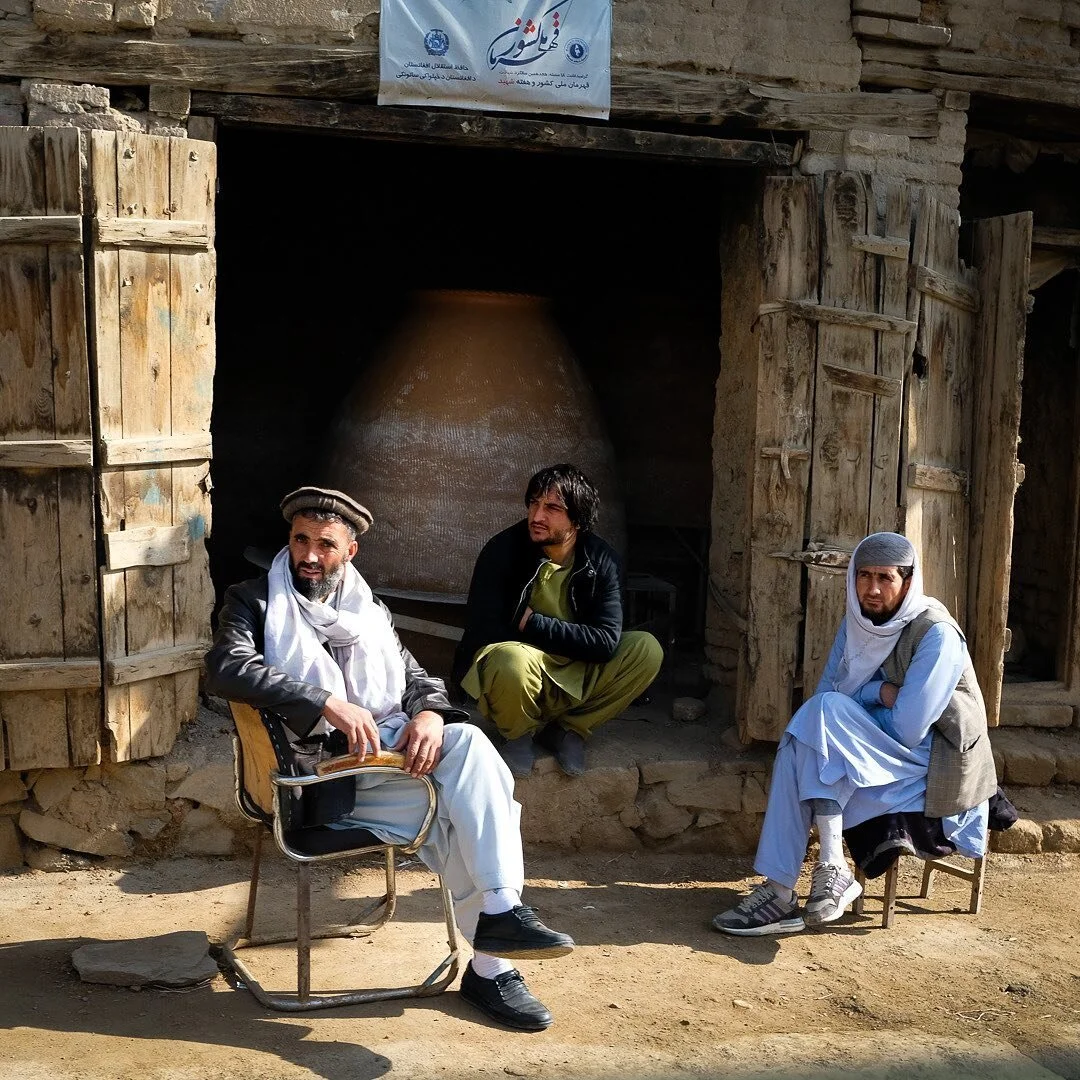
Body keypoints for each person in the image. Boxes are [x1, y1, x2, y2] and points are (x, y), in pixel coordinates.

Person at [204, 485, 576, 1031]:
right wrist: (325, 703)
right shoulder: (253, 600)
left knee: (467, 755)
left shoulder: (366, 608)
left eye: (325, 545)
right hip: (316, 781)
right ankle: (493, 960)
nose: (309, 556)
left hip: (381, 762)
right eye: (300, 540)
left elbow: (417, 678)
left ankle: (498, 920)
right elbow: (225, 668)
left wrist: (429, 713)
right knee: (463, 808)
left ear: (349, 552)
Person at [712, 531, 998, 936]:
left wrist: (859, 700)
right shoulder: (857, 623)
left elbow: (909, 728)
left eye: (885, 578)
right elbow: (829, 692)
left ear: (908, 581)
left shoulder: (936, 634)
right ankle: (791, 886)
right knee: (802, 744)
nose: (873, 589)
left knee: (819, 725)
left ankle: (801, 882)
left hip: (933, 762)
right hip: (874, 749)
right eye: (864, 576)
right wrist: (881, 692)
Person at [452, 464, 663, 779]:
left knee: (646, 649)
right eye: (534, 504)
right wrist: (570, 641)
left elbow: (606, 642)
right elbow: (484, 630)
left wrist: (533, 623)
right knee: (509, 657)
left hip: (576, 671)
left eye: (551, 508)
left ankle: (568, 730)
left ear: (577, 518)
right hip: (521, 674)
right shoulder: (503, 551)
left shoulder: (601, 560)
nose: (537, 516)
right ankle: (517, 733)